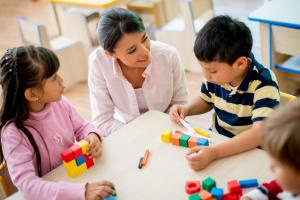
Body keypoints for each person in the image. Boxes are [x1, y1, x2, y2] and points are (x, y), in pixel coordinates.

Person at [0, 46, 115, 200]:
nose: (61, 80)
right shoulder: (13, 133)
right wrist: (82, 192)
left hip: (75, 178)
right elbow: (28, 186)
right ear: (32, 94)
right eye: (53, 77)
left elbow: (82, 126)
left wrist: (92, 135)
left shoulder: (59, 103)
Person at [169, 15, 280, 170]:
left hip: (251, 151)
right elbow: (206, 100)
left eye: (212, 70)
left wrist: (214, 153)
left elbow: (259, 134)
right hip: (218, 141)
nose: (206, 76)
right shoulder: (216, 78)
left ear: (240, 63)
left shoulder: (264, 83)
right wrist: (187, 109)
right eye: (203, 69)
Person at [89, 7, 188, 136]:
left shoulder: (168, 56)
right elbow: (103, 120)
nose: (145, 52)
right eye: (132, 50)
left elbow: (180, 103)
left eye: (144, 39)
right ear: (110, 54)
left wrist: (174, 117)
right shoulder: (98, 62)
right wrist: (138, 135)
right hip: (128, 132)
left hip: (169, 126)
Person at [242, 99, 300, 199]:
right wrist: (250, 198)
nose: (270, 167)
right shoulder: (291, 185)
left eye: (278, 164)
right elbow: (272, 188)